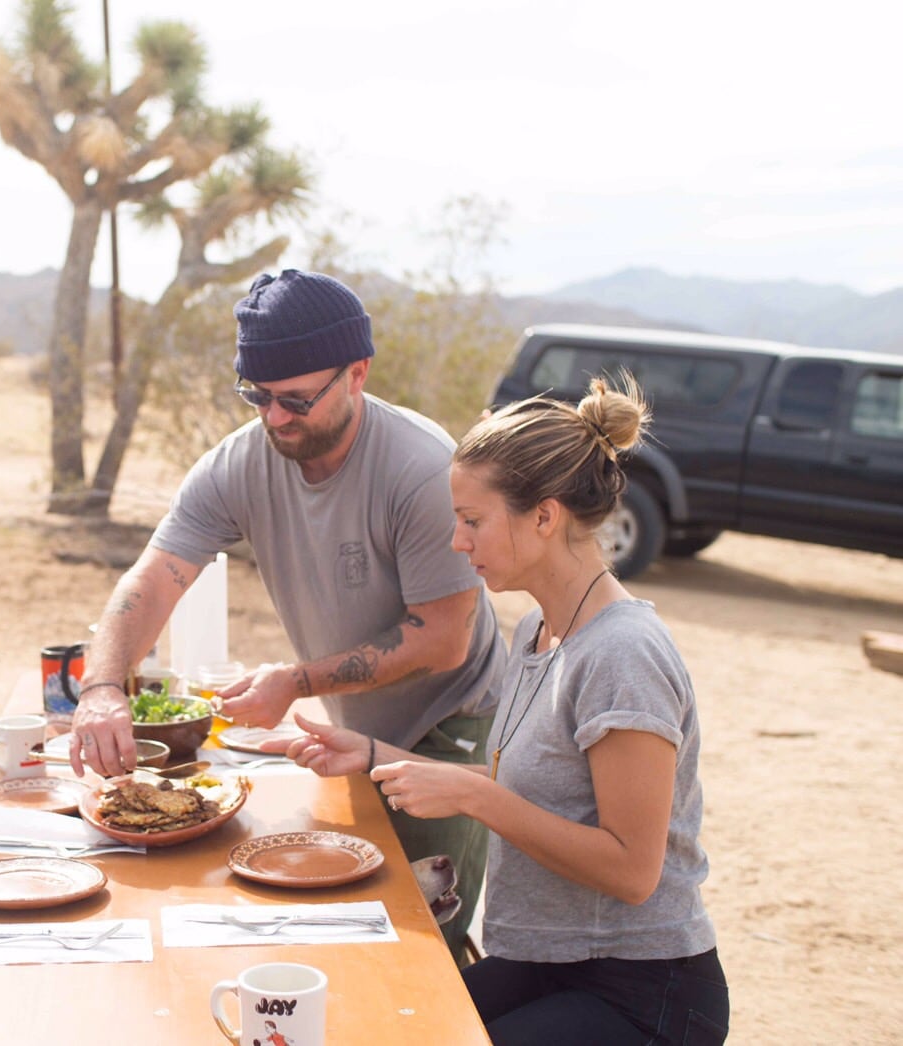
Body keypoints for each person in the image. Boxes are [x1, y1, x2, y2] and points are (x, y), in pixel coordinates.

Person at [69, 269, 505, 963]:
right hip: (353, 724)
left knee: (422, 941)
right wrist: (100, 687)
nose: (274, 418)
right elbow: (154, 578)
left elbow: (444, 640)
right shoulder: (238, 463)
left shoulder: (422, 469)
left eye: (296, 399)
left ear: (357, 372)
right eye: (257, 396)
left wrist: (296, 683)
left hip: (446, 727)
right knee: (348, 933)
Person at [280, 376, 730, 1044]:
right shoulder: (538, 632)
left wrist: (473, 796)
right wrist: (379, 758)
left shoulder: (622, 654)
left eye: (471, 521)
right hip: (552, 964)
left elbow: (634, 870)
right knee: (385, 1022)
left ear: (544, 517)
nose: (457, 543)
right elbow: (541, 795)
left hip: (646, 991)